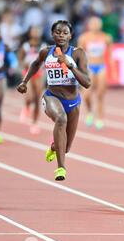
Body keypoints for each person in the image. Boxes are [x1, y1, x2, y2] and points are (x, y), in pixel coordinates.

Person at [16, 20, 91, 181]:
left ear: (71, 35)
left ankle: (53, 147)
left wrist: (70, 66)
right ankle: (61, 169)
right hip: (51, 96)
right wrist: (24, 81)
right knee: (60, 118)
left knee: (66, 148)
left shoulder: (78, 53)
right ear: (52, 34)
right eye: (57, 32)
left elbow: (87, 82)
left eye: (65, 33)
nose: (61, 35)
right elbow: (35, 64)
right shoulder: (46, 52)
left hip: (73, 102)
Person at [78, 16, 116, 129]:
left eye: (97, 24)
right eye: (93, 24)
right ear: (89, 25)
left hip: (101, 67)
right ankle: (90, 112)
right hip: (89, 67)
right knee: (86, 95)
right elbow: (79, 55)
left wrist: (113, 71)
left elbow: (110, 56)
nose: (95, 26)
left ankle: (100, 118)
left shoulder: (106, 38)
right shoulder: (84, 38)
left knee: (100, 95)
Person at [18, 26, 47, 134]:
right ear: (30, 33)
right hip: (27, 74)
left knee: (37, 99)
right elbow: (20, 58)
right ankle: (26, 107)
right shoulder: (26, 46)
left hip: (39, 74)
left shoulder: (43, 46)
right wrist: (23, 64)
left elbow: (46, 59)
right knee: (29, 96)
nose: (35, 33)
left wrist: (44, 66)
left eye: (37, 31)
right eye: (33, 31)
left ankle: (34, 123)